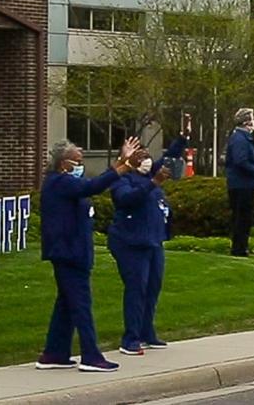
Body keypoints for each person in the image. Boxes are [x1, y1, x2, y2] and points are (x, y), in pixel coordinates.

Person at [37, 137, 136, 373]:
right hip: (69, 254)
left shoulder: (62, 184)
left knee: (66, 304)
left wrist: (124, 164)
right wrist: (121, 164)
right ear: (64, 164)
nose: (80, 166)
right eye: (77, 162)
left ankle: (54, 353)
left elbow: (91, 187)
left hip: (72, 252)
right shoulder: (60, 183)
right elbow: (93, 187)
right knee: (81, 305)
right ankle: (91, 356)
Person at [107, 134, 181, 356]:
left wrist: (182, 137)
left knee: (153, 287)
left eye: (148, 156)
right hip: (131, 242)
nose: (147, 161)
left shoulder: (149, 175)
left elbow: (170, 156)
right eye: (141, 157)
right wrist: (153, 183)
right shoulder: (123, 180)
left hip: (153, 240)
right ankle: (130, 338)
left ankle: (147, 331)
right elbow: (127, 199)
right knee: (136, 288)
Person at [225, 108, 254, 257]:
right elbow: (241, 161)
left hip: (241, 183)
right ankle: (239, 249)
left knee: (242, 217)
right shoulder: (240, 139)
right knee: (242, 218)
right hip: (242, 185)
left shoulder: (239, 138)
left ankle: (240, 247)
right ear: (247, 122)